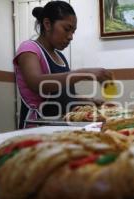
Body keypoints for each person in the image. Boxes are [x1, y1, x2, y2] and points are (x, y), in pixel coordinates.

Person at [13, 1, 112, 129]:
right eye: (67, 29)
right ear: (47, 24)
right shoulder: (29, 48)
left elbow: (64, 95)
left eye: (73, 32)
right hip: (38, 125)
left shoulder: (61, 57)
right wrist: (84, 74)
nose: (71, 37)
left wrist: (89, 101)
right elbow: (36, 83)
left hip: (60, 125)